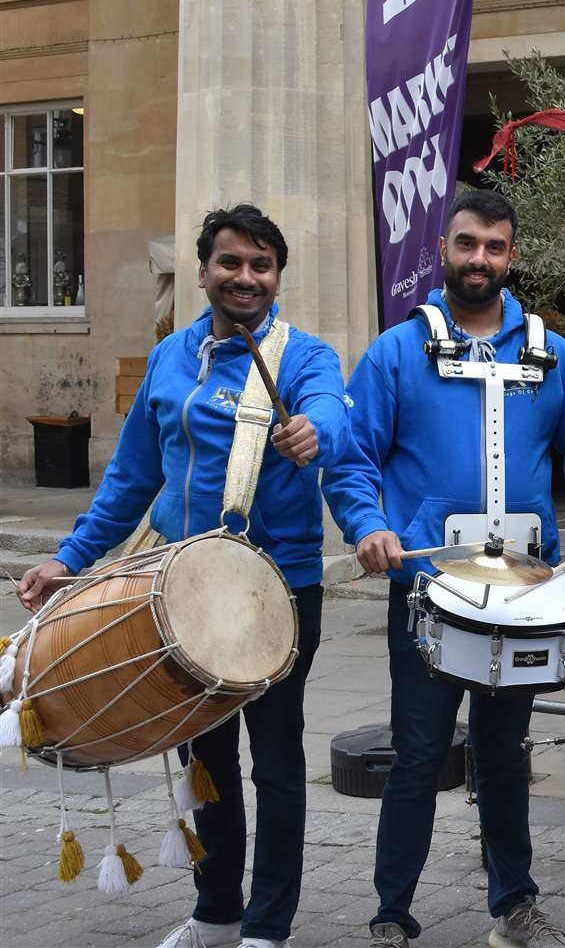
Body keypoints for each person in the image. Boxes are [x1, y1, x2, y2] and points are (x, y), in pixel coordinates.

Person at [19, 205, 350, 948]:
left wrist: (313, 429)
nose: (246, 277)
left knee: (277, 761)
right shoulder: (172, 358)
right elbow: (131, 477)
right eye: (231, 263)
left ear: (277, 278)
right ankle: (216, 911)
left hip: (276, 592)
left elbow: (331, 410)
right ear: (203, 272)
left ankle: (269, 926)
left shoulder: (302, 358)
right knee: (204, 755)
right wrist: (68, 559)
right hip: (178, 589)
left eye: (261, 266)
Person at [322, 189, 565, 948]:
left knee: (502, 756)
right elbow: (352, 460)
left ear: (510, 255)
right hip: (429, 590)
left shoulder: (555, 356)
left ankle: (513, 906)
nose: (478, 259)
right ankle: (392, 915)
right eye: (466, 244)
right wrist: (370, 528)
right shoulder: (395, 353)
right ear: (444, 249)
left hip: (524, 592)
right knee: (419, 754)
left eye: (494, 247)